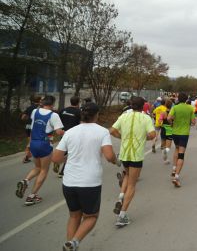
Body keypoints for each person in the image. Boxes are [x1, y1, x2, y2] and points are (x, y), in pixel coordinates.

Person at [52, 102, 120, 251]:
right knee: (91, 217)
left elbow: (56, 158)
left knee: (74, 216)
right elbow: (109, 156)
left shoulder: (70, 132)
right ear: (97, 115)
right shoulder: (102, 131)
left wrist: (69, 156)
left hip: (69, 182)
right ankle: (75, 242)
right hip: (89, 183)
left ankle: (69, 244)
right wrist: (116, 161)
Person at [110, 96, 156, 227]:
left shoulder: (124, 116)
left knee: (127, 174)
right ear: (143, 106)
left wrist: (122, 136)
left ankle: (120, 196)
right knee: (132, 184)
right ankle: (122, 216)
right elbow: (152, 135)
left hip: (124, 153)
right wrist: (144, 138)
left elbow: (112, 130)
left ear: (131, 105)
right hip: (136, 155)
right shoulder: (145, 118)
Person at [15, 95, 65, 205]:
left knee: (37, 167)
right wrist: (68, 133)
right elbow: (58, 132)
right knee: (44, 170)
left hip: (34, 142)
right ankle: (31, 196)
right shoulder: (54, 115)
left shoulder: (35, 112)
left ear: (42, 103)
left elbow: (33, 128)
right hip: (44, 144)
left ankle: (25, 181)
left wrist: (28, 146)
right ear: (52, 104)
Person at [167, 92, 196, 187]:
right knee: (181, 154)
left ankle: (174, 169)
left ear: (178, 99)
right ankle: (176, 177)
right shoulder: (190, 108)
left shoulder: (175, 107)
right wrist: (188, 122)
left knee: (176, 148)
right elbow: (193, 122)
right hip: (184, 133)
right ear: (187, 99)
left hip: (175, 132)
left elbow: (169, 118)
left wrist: (172, 123)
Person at [56, 96, 81, 177]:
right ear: (78, 102)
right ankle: (62, 172)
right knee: (71, 153)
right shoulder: (79, 112)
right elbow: (81, 124)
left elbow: (58, 121)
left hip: (63, 133)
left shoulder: (63, 110)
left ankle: (57, 162)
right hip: (73, 135)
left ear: (70, 101)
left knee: (64, 150)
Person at [21, 95, 41, 163]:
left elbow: (23, 117)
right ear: (40, 100)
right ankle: (26, 157)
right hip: (34, 126)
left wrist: (28, 119)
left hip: (27, 125)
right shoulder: (39, 108)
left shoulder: (29, 107)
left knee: (30, 141)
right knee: (32, 142)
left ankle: (30, 155)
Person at [159, 99, 173, 163]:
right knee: (168, 146)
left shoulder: (163, 113)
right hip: (170, 129)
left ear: (165, 105)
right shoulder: (172, 113)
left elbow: (159, 120)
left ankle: (165, 159)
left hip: (163, 128)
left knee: (163, 145)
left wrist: (161, 123)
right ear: (171, 105)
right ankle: (166, 152)